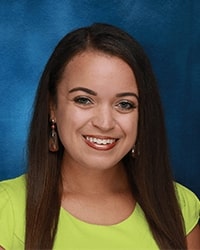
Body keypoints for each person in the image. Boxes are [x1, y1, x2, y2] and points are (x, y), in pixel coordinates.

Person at [0, 23, 199, 250]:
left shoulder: (178, 207)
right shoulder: (6, 210)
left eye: (124, 104)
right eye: (83, 100)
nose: (104, 123)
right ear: (52, 106)